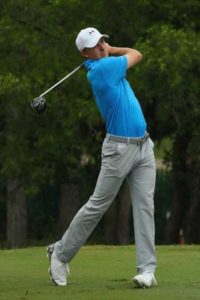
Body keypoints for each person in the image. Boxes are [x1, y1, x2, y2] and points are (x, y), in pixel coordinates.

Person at [47, 27, 157, 288]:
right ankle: (60, 254)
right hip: (119, 150)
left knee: (145, 206)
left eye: (103, 41)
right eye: (97, 45)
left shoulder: (104, 65)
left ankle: (147, 270)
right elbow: (137, 54)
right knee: (98, 205)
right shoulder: (103, 69)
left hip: (144, 145)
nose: (103, 46)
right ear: (85, 53)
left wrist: (107, 50)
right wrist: (114, 49)